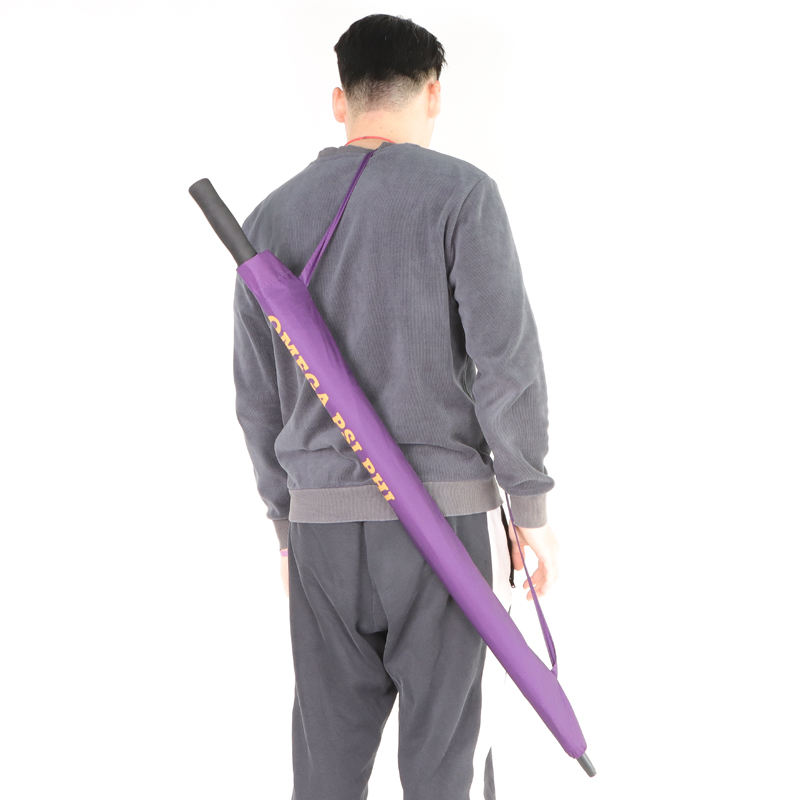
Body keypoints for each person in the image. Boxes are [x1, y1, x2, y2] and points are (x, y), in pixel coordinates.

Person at [232, 12, 560, 799]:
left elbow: (257, 400)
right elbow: (506, 364)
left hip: (321, 530)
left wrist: (287, 526)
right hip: (441, 528)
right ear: (433, 94)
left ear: (339, 101)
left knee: (325, 771)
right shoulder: (462, 195)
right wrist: (529, 510)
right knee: (445, 768)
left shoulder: (267, 220)